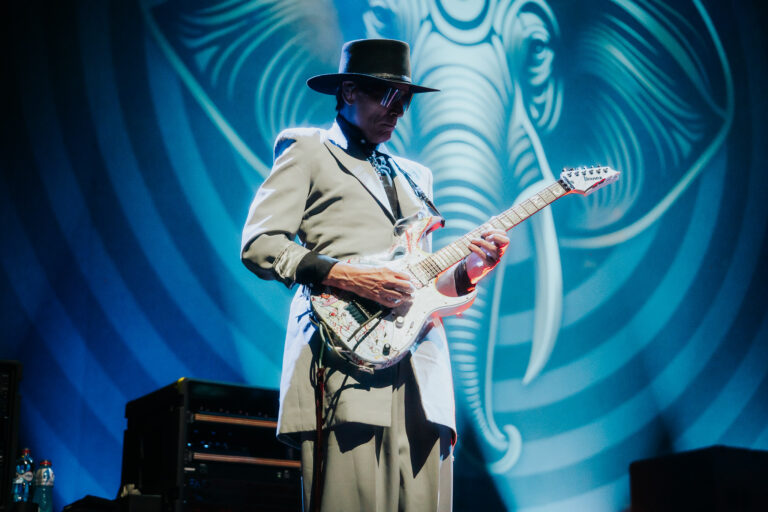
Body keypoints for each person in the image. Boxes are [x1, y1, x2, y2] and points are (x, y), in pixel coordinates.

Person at [241, 38, 508, 512]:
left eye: (405, 100)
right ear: (348, 92)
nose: (399, 111)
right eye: (389, 96)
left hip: (420, 372)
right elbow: (260, 245)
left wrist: (472, 269)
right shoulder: (308, 149)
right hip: (344, 359)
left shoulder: (416, 177)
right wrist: (349, 276)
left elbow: (424, 285)